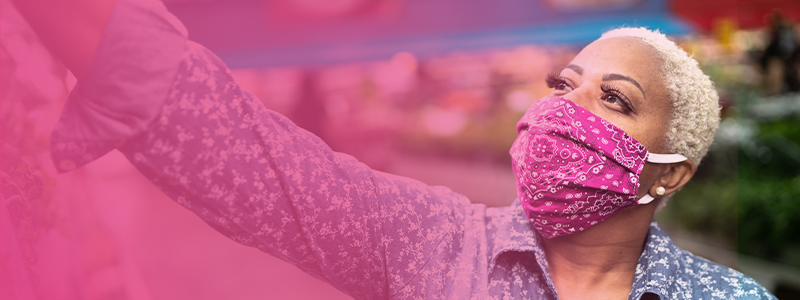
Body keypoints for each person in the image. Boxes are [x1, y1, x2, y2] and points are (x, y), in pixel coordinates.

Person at [12, 0, 775, 299]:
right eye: (562, 84)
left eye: (615, 99)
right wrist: (93, 33)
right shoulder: (437, 248)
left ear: (671, 172)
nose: (564, 111)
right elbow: (261, 166)